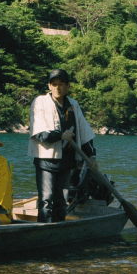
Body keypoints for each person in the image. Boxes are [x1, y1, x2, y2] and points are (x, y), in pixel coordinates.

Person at [28, 69, 100, 223]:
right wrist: (59, 135)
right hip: (46, 160)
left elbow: (84, 132)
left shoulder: (73, 105)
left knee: (61, 201)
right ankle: (43, 230)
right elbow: (40, 132)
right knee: (46, 200)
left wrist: (92, 156)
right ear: (49, 86)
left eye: (61, 84)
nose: (57, 87)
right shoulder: (40, 102)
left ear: (68, 86)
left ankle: (58, 229)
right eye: (54, 84)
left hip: (66, 161)